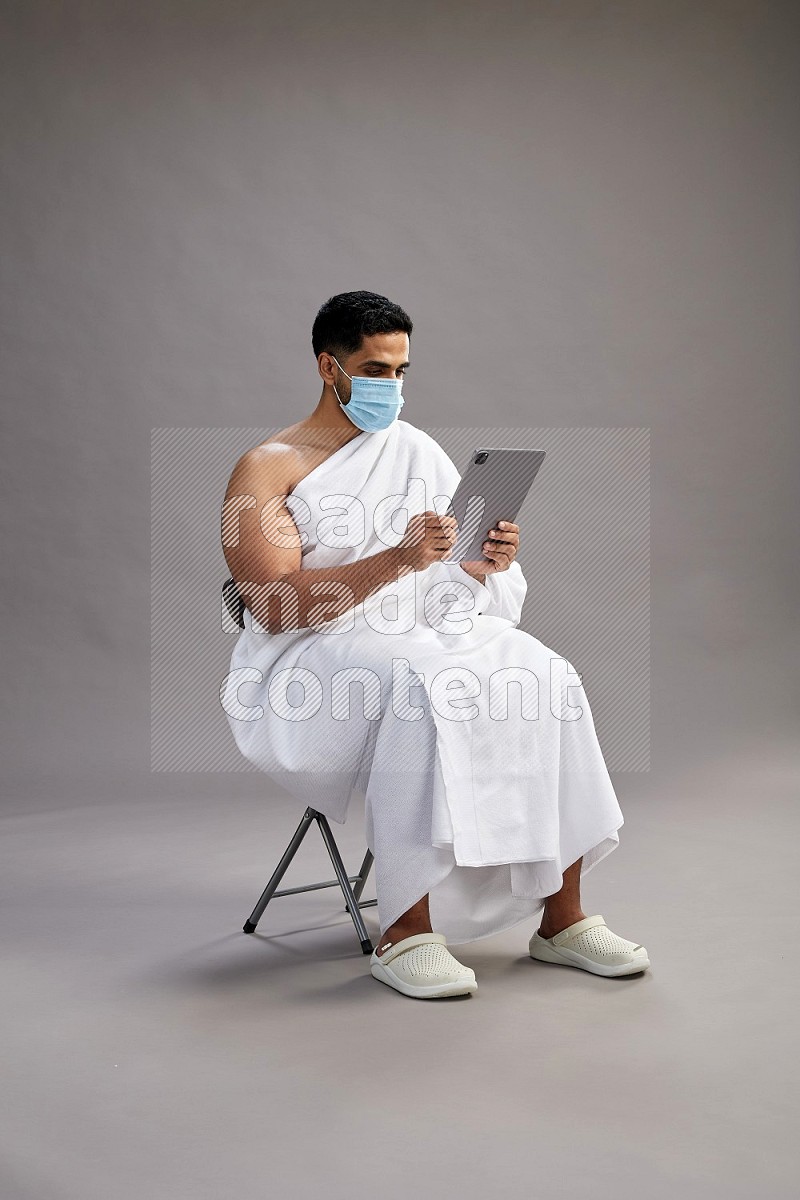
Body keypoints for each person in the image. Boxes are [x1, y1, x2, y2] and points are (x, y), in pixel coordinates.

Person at [220, 290, 650, 1000]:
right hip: (312, 655)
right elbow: (271, 606)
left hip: (421, 629)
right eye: (375, 370)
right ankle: (405, 930)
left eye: (402, 371)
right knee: (422, 685)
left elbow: (442, 577)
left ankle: (563, 919)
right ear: (330, 367)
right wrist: (398, 558)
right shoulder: (263, 469)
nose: (392, 387)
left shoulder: (413, 447)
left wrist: (481, 566)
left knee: (548, 674)